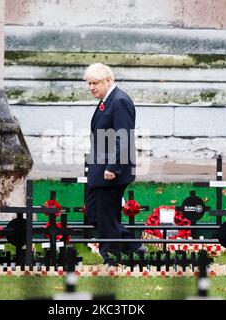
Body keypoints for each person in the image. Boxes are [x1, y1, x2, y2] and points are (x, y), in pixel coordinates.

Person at [83, 63, 147, 265]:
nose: (91, 87)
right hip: (99, 170)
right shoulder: (107, 100)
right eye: (89, 83)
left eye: (95, 83)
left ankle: (110, 259)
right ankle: (133, 246)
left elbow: (123, 137)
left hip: (111, 171)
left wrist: (113, 166)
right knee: (95, 214)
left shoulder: (120, 101)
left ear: (108, 80)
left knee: (105, 217)